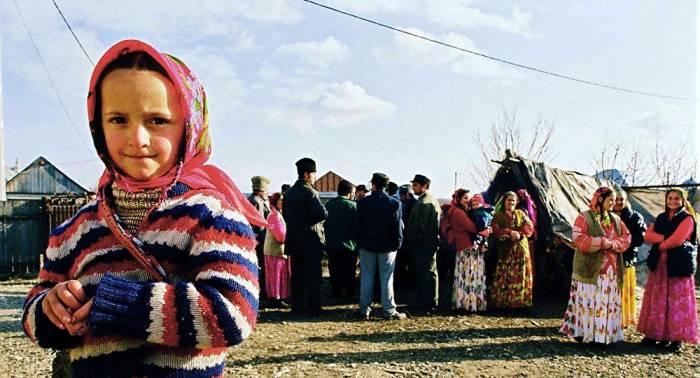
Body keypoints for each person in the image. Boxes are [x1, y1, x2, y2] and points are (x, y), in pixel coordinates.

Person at [21, 40, 263, 376]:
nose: (138, 138)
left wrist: (115, 303)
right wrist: (51, 309)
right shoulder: (74, 231)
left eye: (157, 120)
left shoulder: (212, 216)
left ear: (189, 127)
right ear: (97, 125)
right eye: (118, 119)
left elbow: (232, 316)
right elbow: (36, 306)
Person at [560, 187, 631, 345]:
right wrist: (602, 242)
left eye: (614, 200)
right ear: (600, 199)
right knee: (589, 300)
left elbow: (626, 238)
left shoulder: (616, 220)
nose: (613, 203)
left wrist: (612, 244)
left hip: (610, 270)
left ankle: (603, 336)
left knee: (606, 301)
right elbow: (578, 238)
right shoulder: (584, 217)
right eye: (610, 200)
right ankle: (586, 334)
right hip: (589, 268)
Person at [637, 188, 698, 351]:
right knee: (659, 300)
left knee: (677, 302)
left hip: (677, 265)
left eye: (676, 198)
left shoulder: (688, 219)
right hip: (660, 264)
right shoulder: (662, 217)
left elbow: (678, 241)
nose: (672, 201)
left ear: (683, 201)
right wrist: (665, 239)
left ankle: (676, 338)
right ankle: (658, 335)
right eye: (670, 198)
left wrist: (661, 244)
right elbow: (647, 235)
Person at [357, 173, 405, 320]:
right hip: (387, 247)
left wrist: (359, 243)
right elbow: (397, 227)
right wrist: (397, 243)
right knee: (387, 278)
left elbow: (358, 225)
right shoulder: (394, 203)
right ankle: (389, 310)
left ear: (373, 185)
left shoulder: (363, 203)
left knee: (366, 277)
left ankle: (365, 309)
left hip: (367, 246)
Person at [283, 158, 328, 316]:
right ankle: (314, 307)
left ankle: (297, 306)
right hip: (310, 241)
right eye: (314, 174)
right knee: (313, 276)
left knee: (298, 277)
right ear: (307, 174)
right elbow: (321, 214)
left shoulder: (288, 194)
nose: (315, 177)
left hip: (294, 240)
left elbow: (286, 216)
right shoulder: (310, 192)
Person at [445, 189, 491, 312]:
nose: (468, 200)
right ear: (459, 199)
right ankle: (468, 304)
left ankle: (468, 302)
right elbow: (473, 227)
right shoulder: (458, 212)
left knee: (467, 276)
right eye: (465, 198)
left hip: (467, 247)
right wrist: (486, 230)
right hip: (467, 248)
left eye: (468, 198)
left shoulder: (462, 211)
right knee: (469, 276)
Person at [490, 191, 535, 309]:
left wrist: (519, 234)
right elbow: (496, 230)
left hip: (521, 249)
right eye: (509, 200)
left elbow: (529, 226)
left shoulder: (521, 213)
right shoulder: (498, 216)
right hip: (506, 251)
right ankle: (504, 303)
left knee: (520, 274)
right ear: (504, 201)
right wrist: (509, 232)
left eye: (513, 200)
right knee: (504, 275)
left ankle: (520, 303)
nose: (511, 202)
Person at [611, 189, 646, 328]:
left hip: (626, 258)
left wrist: (621, 243)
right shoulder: (605, 216)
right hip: (608, 260)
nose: (618, 202)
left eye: (621, 199)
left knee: (623, 289)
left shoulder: (634, 217)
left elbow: (640, 238)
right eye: (616, 199)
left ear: (626, 201)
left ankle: (622, 320)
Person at [406, 174, 441, 312]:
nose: (413, 188)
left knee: (424, 274)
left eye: (415, 185)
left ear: (424, 186)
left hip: (422, 245)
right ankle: (432, 301)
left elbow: (418, 228)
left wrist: (413, 244)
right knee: (431, 272)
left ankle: (425, 303)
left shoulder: (424, 203)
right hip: (429, 244)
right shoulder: (431, 200)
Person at [324, 180, 359, 299]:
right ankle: (350, 291)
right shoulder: (354, 206)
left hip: (332, 244)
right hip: (349, 245)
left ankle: (336, 291)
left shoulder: (329, 204)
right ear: (349, 193)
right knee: (349, 270)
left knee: (334, 270)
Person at [264, 192, 291, 308]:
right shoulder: (275, 216)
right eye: (281, 200)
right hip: (275, 251)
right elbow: (280, 237)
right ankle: (276, 298)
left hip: (275, 251)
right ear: (276, 202)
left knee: (277, 275)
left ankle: (277, 297)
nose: (283, 202)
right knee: (276, 275)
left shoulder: (278, 214)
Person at [249, 175, 272, 299]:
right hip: (260, 240)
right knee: (261, 267)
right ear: (262, 190)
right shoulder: (257, 202)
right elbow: (260, 224)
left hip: (256, 240)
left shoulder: (252, 199)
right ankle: (262, 292)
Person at [395, 184, 416, 291]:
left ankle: (408, 283)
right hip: (406, 238)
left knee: (407, 263)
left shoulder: (413, 205)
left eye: (402, 196)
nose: (401, 198)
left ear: (407, 195)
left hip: (408, 239)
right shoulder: (409, 204)